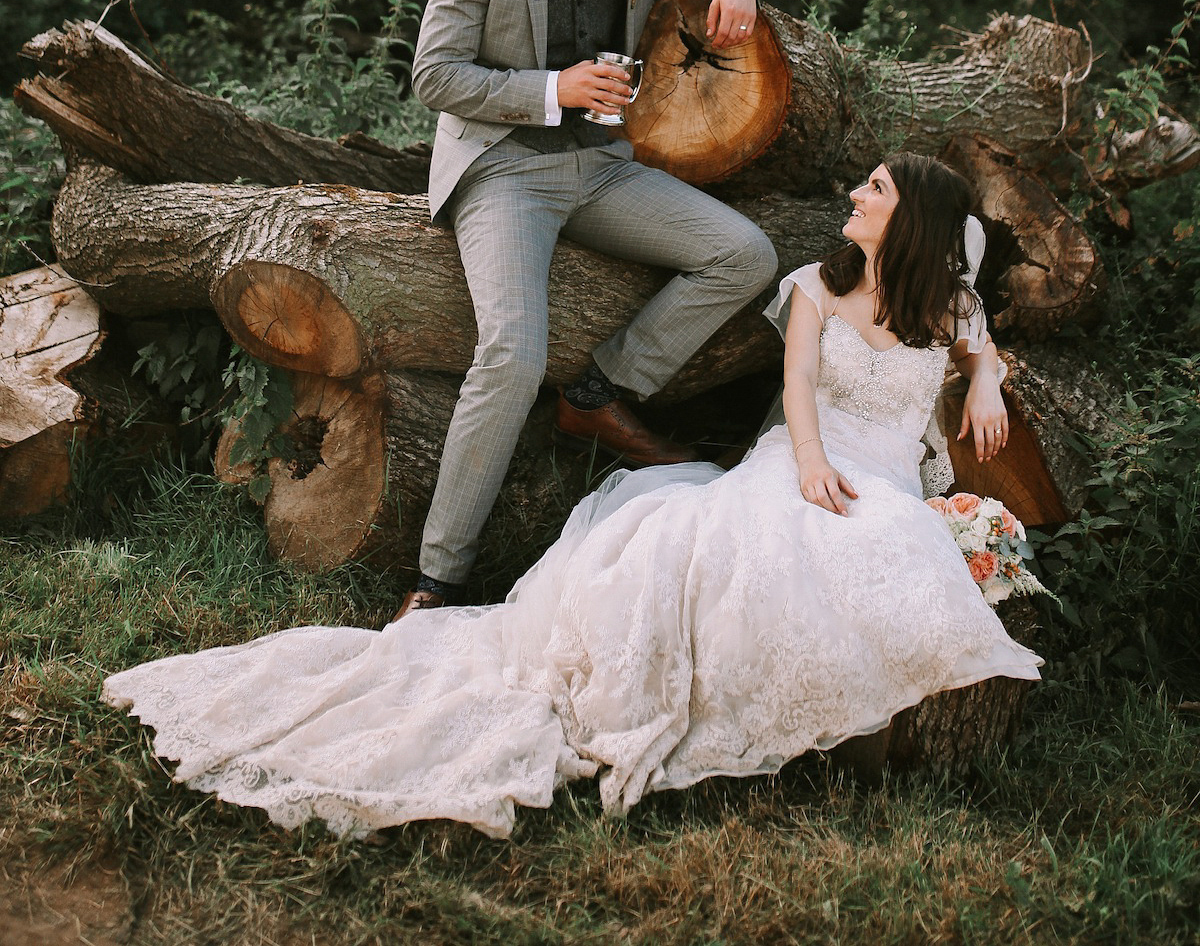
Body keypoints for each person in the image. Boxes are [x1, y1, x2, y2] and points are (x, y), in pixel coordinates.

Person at [102, 152, 1040, 840]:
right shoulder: (816, 289)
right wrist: (802, 462)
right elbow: (797, 389)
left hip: (882, 474)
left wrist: (988, 375)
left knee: (885, 558)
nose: (853, 193)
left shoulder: (951, 307)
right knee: (732, 551)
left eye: (873, 188)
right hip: (800, 457)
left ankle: (855, 748)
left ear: (909, 218)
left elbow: (977, 346)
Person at [396, 0, 778, 616]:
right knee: (512, 354)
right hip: (505, 171)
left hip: (601, 167)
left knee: (746, 253)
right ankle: (437, 578)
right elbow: (433, 76)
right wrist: (552, 88)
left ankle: (600, 391)